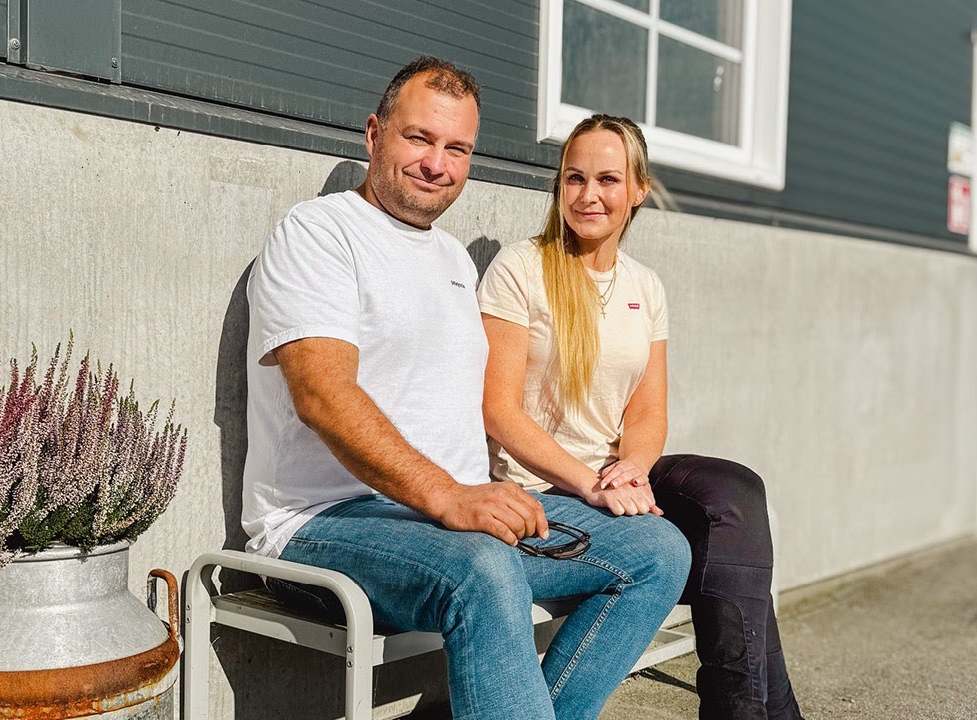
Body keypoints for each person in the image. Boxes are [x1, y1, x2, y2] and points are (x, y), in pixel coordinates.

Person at [242, 58, 691, 720]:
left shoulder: (454, 259)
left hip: (457, 521)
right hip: (328, 522)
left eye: (457, 148)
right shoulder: (318, 234)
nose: (437, 163)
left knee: (658, 551)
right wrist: (448, 494)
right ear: (374, 135)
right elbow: (322, 396)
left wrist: (474, 497)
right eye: (419, 138)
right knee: (484, 571)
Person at [477, 114, 806, 720]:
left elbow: (649, 409)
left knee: (735, 493)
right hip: (543, 487)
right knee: (726, 565)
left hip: (614, 478)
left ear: (638, 191)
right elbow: (497, 410)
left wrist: (631, 468)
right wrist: (589, 484)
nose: (588, 195)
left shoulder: (645, 286)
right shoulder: (521, 269)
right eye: (574, 179)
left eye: (607, 179)